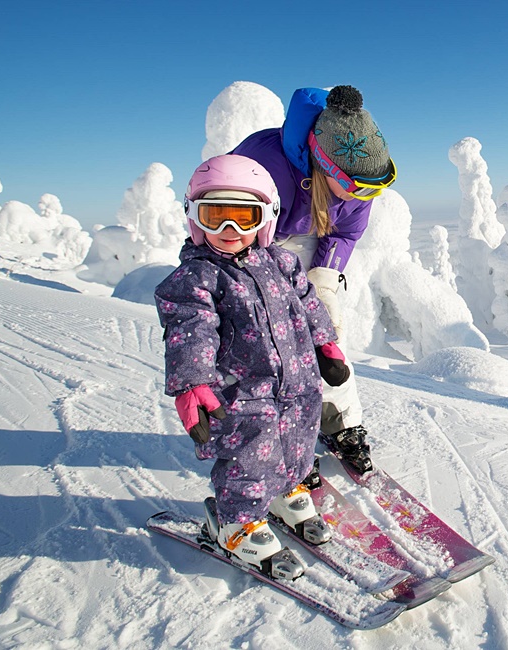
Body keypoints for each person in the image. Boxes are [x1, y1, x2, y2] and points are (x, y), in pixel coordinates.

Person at [155, 154, 352, 578]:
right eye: (215, 217)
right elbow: (191, 328)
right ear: (194, 218)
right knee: (249, 458)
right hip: (242, 394)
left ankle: (284, 492)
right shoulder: (197, 278)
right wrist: (193, 385)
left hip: (298, 384)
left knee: (299, 443)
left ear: (265, 219)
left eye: (244, 218)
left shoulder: (281, 262)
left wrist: (325, 344)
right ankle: (236, 523)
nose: (230, 231)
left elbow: (307, 301)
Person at [230, 84, 396, 475]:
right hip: (252, 239)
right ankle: (272, 431)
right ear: (326, 165)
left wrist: (323, 280)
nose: (367, 195)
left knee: (324, 337)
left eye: (378, 185)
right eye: (360, 185)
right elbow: (228, 224)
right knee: (268, 343)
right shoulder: (263, 164)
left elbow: (345, 234)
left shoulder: (356, 190)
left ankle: (341, 424)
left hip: (309, 236)